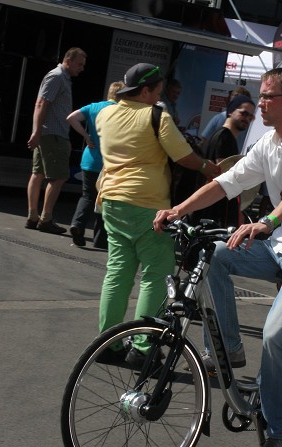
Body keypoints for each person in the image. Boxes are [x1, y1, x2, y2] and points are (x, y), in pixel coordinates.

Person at [153, 67, 282, 447]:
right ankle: (229, 349)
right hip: (279, 248)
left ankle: (281, 431)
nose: (259, 103)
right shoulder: (267, 144)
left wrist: (267, 223)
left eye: (268, 96)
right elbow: (226, 182)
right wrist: (178, 210)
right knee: (216, 253)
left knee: (276, 333)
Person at [95, 63, 220, 367]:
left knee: (118, 271)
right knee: (156, 274)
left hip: (111, 199)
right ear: (146, 90)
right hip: (148, 203)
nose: (159, 97)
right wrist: (209, 168)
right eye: (158, 91)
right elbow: (183, 156)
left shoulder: (105, 114)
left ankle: (106, 345)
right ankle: (144, 346)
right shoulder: (155, 116)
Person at [26, 47, 87, 233]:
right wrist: (36, 132)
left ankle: (33, 217)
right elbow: (41, 103)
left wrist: (38, 132)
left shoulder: (62, 77)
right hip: (53, 135)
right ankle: (45, 219)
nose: (82, 68)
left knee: (39, 174)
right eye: (79, 64)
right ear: (68, 61)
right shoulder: (57, 76)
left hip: (48, 134)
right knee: (58, 177)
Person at [65, 81, 123, 249]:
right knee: (106, 200)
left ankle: (78, 224)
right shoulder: (121, 111)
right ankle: (100, 239)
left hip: (89, 160)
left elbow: (71, 118)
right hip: (110, 162)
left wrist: (86, 136)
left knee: (88, 196)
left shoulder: (94, 107)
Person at [187, 94, 256, 227]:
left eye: (250, 116)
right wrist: (237, 210)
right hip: (214, 210)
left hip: (208, 207)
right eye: (244, 113)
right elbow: (226, 178)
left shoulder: (222, 135)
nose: (247, 118)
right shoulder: (225, 138)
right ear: (230, 111)